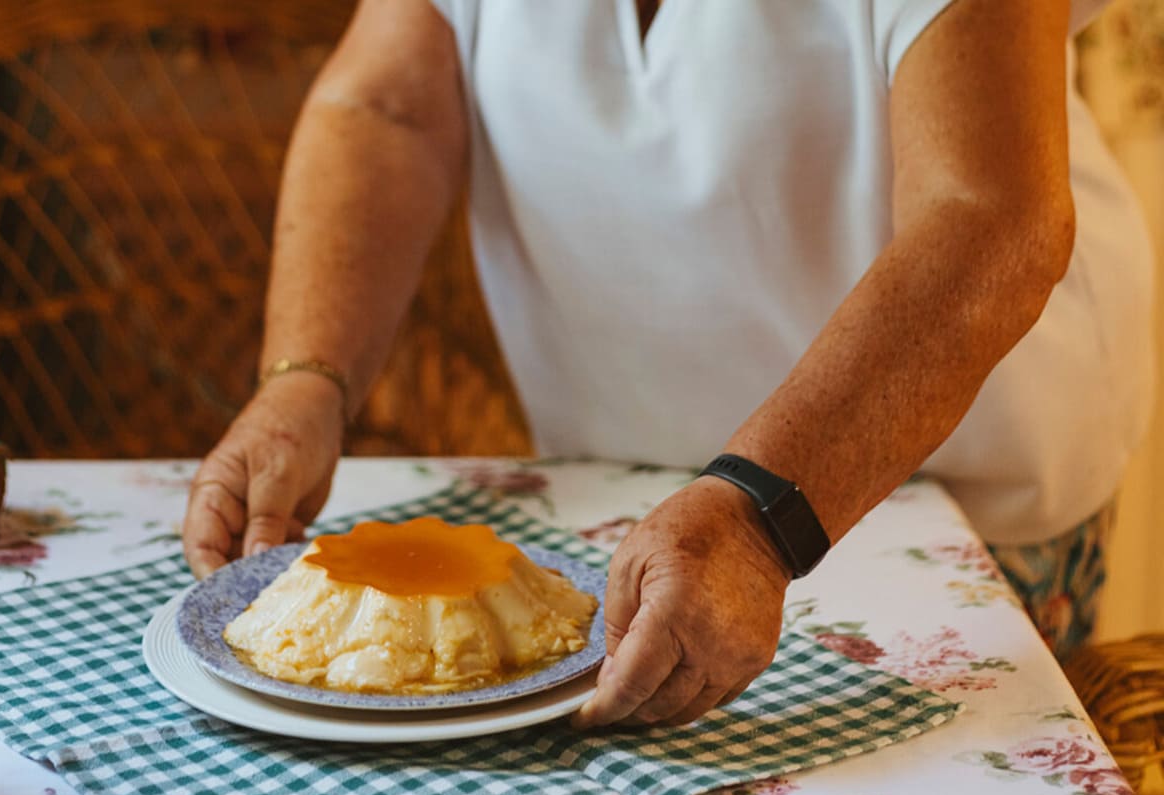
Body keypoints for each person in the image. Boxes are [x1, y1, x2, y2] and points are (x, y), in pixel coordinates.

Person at [181, 0, 1154, 729]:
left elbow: (989, 220)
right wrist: (307, 375)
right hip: (628, 504)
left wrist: (760, 514)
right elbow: (388, 104)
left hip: (950, 503)